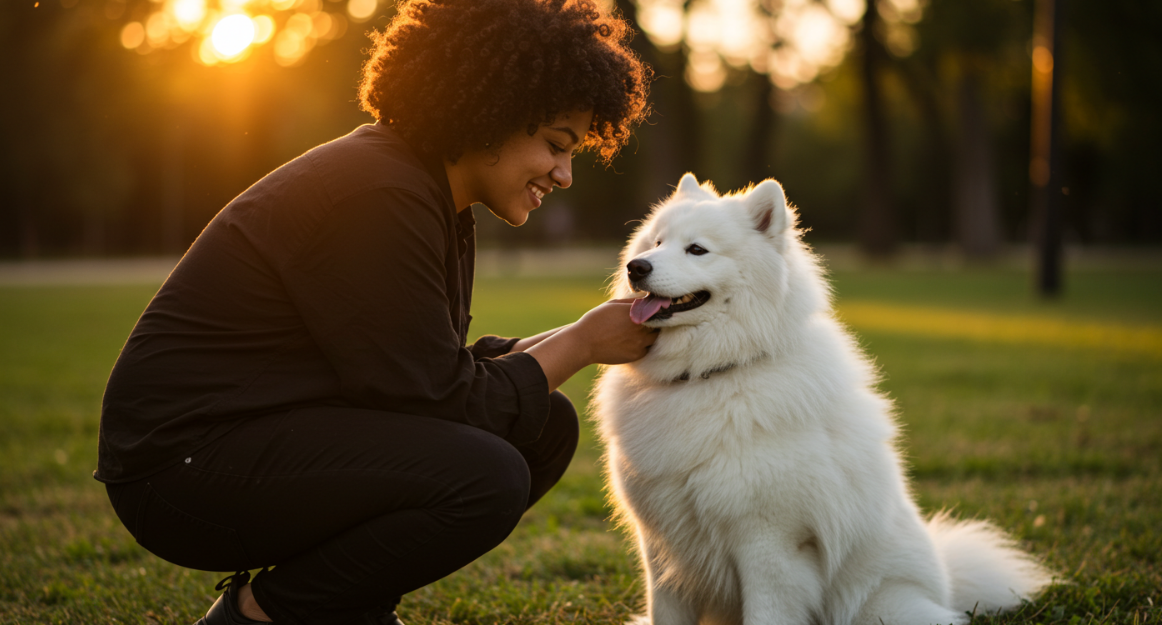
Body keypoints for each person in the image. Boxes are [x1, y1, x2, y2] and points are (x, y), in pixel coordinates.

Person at [93, 1, 655, 623]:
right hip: (182, 470)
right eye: (556, 145)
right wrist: (578, 343)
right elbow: (436, 398)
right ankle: (258, 616)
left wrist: (583, 334)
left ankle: (350, 606)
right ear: (491, 111)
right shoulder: (377, 194)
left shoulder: (429, 193)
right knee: (485, 474)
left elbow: (419, 373)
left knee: (541, 424)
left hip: (261, 436)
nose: (565, 174)